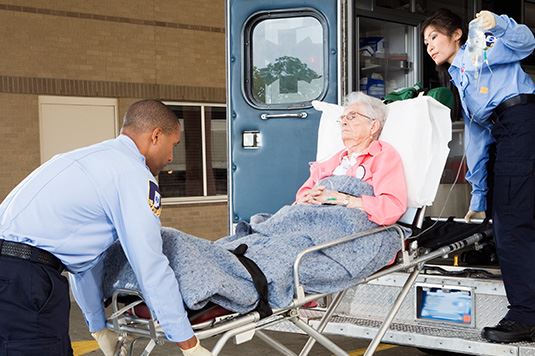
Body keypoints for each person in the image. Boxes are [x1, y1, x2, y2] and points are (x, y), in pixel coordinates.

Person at [0, 100, 211, 355]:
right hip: (26, 282)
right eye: (173, 145)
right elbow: (149, 264)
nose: (170, 157)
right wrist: (188, 343)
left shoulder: (78, 159)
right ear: (156, 136)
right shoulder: (132, 175)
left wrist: (98, 326)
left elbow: (83, 262)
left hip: (17, 275)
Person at [422, 9, 535, 343]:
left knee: (512, 224)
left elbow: (526, 43)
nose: (429, 47)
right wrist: (479, 196)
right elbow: (476, 137)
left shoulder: (479, 43)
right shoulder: (458, 77)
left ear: (456, 33)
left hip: (522, 121)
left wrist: (496, 22)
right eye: (425, 41)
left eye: (434, 37)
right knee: (514, 218)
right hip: (507, 131)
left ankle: (525, 316)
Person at [295, 92, 407, 225]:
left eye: (351, 117)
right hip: (309, 218)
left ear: (373, 126)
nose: (343, 122)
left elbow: (392, 208)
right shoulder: (332, 161)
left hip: (343, 225)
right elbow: (301, 196)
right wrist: (308, 198)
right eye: (342, 118)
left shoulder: (382, 156)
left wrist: (343, 199)